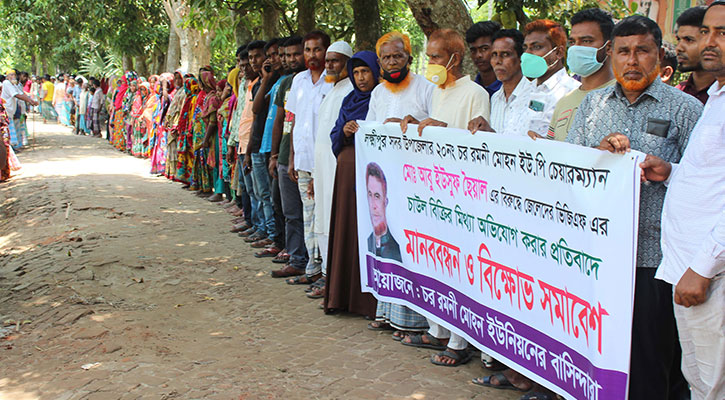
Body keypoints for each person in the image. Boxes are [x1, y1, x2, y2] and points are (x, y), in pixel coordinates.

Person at [565, 15, 701, 400]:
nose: (632, 60)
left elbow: (701, 184)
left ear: (659, 55)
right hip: (598, 256)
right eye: (623, 51)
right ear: (611, 55)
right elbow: (568, 170)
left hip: (654, 257)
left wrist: (667, 170)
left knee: (650, 358)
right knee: (598, 351)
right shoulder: (592, 105)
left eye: (642, 51)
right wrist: (598, 156)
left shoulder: (685, 109)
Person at [399, 29, 489, 368]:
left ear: (455, 58)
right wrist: (413, 126)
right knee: (434, 264)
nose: (431, 63)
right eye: (429, 57)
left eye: (436, 57)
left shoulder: (475, 93)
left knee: (457, 270)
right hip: (434, 192)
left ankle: (458, 342)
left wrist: (443, 131)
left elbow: (479, 144)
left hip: (462, 195)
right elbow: (432, 131)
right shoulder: (437, 92)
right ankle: (437, 331)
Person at [655, 3, 725, 399]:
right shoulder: (716, 96)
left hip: (710, 272)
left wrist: (703, 267)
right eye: (707, 31)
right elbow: (710, 177)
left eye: (723, 33)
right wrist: (670, 172)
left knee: (713, 384)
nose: (709, 41)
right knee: (699, 379)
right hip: (687, 265)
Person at [365, 31, 432, 340]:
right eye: (386, 58)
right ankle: (388, 312)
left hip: (415, 184)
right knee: (387, 245)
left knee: (410, 248)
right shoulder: (378, 93)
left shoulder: (426, 88)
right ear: (380, 62)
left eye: (397, 56)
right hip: (384, 183)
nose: (392, 62)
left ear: (409, 57)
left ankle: (414, 322)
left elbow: (437, 130)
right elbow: (371, 130)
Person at [289, 41, 353, 293]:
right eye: (328, 61)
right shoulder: (331, 87)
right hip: (314, 166)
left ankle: (330, 278)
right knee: (316, 223)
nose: (329, 66)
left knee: (329, 222)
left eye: (335, 61)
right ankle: (319, 272)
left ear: (347, 63)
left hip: (333, 169)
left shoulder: (350, 91)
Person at [323, 50, 380, 318]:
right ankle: (341, 297)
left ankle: (366, 303)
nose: (361, 78)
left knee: (366, 231)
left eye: (365, 71)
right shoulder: (349, 99)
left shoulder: (381, 98)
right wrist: (344, 132)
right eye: (356, 73)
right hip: (347, 174)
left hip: (370, 177)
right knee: (346, 228)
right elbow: (335, 132)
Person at [274, 30, 332, 279]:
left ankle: (326, 272)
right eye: (308, 50)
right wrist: (291, 159)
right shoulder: (299, 80)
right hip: (302, 161)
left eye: (317, 49)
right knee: (307, 218)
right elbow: (294, 121)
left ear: (326, 51)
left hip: (325, 164)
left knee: (323, 219)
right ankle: (311, 268)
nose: (312, 55)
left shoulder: (334, 81)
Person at [269, 36, 309, 273]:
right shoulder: (286, 84)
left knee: (312, 214)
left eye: (296, 54)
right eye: (287, 55)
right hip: (286, 155)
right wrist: (274, 155)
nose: (291, 59)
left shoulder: (322, 83)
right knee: (291, 212)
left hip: (308, 158)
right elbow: (280, 120)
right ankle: (296, 259)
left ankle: (314, 263)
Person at [547, 8, 616, 141]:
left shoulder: (622, 97)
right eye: (572, 42)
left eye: (586, 41)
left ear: (608, 47)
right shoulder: (564, 102)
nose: (576, 48)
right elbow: (552, 145)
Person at [468, 29, 533, 136]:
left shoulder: (535, 96)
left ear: (521, 58)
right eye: (494, 55)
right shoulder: (495, 99)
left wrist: (491, 134)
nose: (498, 61)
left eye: (505, 54)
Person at [521, 20, 580, 138]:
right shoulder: (524, 90)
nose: (527, 54)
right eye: (525, 48)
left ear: (558, 52)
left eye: (536, 47)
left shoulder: (572, 93)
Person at [674, 6, 715, 104]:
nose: (679, 48)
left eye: (689, 40)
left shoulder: (720, 93)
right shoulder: (678, 92)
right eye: (678, 40)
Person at [465, 20, 503, 97]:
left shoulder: (509, 88)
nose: (478, 55)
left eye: (484, 49)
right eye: (473, 50)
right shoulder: (471, 91)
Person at [1, 69, 36, 150]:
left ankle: (14, 147)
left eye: (14, 75)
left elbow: (21, 93)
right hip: (6, 111)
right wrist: (30, 100)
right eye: (11, 75)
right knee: (7, 130)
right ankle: (10, 147)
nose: (13, 76)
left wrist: (31, 101)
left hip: (11, 111)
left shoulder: (14, 84)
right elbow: (16, 95)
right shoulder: (6, 83)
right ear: (7, 77)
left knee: (13, 128)